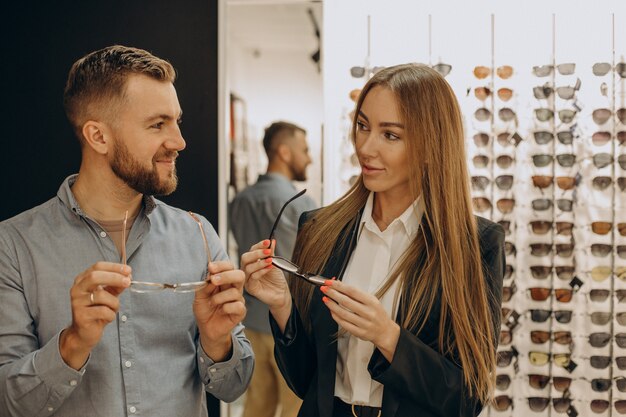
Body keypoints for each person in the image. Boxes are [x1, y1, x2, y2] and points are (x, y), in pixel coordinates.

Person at [0, 45, 253, 417]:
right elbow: (7, 403)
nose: (179, 142)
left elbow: (234, 387)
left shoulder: (198, 235)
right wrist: (72, 344)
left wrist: (218, 343)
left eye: (177, 121)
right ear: (98, 137)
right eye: (157, 124)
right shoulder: (14, 245)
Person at [241, 63, 505, 417]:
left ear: (432, 144)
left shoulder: (474, 244)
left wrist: (388, 337)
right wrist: (281, 305)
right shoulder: (319, 229)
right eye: (362, 127)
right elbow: (304, 381)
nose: (365, 147)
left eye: (390, 135)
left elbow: (467, 398)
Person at [229, 121, 316, 417]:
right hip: (287, 324)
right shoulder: (301, 204)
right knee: (296, 408)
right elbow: (307, 268)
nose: (309, 158)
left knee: (256, 407)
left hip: (251, 322)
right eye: (304, 150)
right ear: (284, 152)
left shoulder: (240, 200)